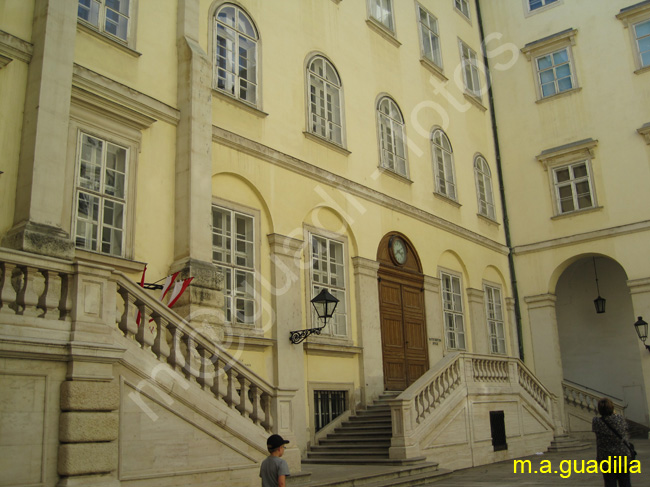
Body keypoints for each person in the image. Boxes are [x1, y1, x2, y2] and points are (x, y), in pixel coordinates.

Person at [592, 397, 633, 487]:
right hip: (622, 456)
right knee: (625, 482)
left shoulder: (596, 422)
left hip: (606, 458)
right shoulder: (620, 419)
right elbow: (626, 428)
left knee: (609, 483)